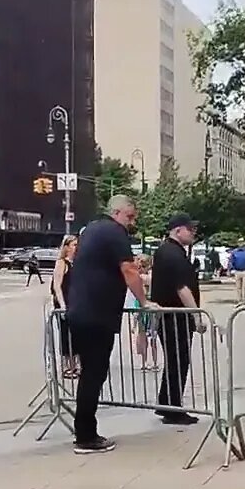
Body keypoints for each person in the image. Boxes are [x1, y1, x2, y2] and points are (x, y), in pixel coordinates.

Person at [66, 194, 153, 454]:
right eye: (129, 216)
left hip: (80, 310)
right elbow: (129, 271)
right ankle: (86, 435)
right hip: (97, 314)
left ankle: (84, 430)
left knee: (89, 373)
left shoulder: (91, 229)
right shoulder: (114, 233)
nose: (132, 221)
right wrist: (144, 301)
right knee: (94, 373)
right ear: (116, 213)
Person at [150, 213, 207, 425]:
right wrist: (196, 316)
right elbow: (182, 288)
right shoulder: (172, 254)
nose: (193, 233)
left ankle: (166, 403)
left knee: (176, 361)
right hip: (175, 317)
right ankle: (172, 408)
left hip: (171, 316)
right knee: (178, 361)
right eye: (189, 229)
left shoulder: (169, 251)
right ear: (177, 230)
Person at [51, 235, 79, 379]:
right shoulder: (62, 263)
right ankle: (67, 366)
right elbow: (57, 285)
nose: (76, 247)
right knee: (65, 334)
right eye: (74, 245)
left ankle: (75, 365)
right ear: (67, 247)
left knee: (76, 334)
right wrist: (62, 305)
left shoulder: (77, 263)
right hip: (65, 303)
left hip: (75, 303)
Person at [127, 256, 160, 371]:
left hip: (143, 306)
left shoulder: (142, 277)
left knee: (144, 337)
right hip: (150, 306)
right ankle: (153, 362)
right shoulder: (153, 277)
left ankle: (145, 362)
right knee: (151, 337)